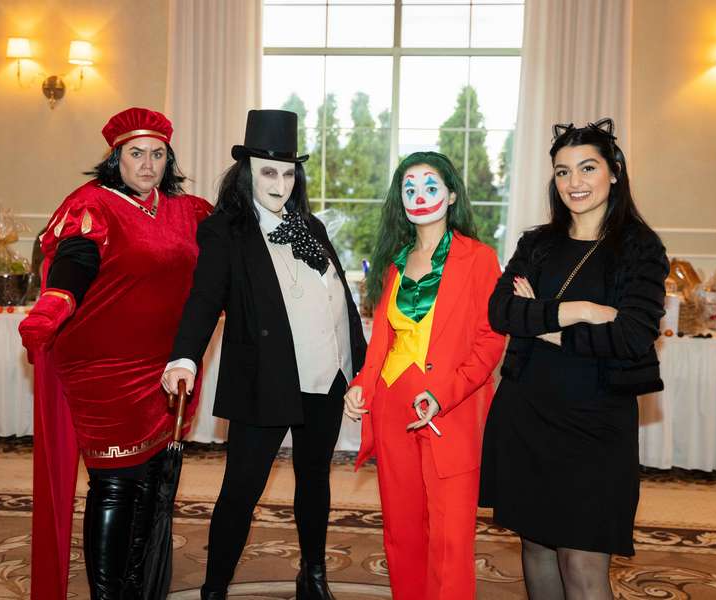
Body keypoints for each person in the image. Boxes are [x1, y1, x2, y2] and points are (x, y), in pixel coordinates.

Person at [161, 109, 367, 600]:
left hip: (327, 376)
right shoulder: (224, 231)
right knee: (242, 490)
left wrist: (361, 369)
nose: (280, 184)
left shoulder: (310, 225)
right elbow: (204, 299)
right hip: (264, 378)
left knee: (314, 480)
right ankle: (214, 588)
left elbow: (339, 299)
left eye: (288, 173)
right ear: (247, 172)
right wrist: (184, 357)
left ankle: (312, 576)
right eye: (268, 172)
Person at [18, 107, 211, 600]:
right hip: (104, 369)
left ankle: (137, 587)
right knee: (115, 482)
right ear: (116, 158)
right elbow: (75, 263)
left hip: (166, 367)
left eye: (158, 154)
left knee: (152, 480)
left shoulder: (186, 210)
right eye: (136, 153)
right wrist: (51, 309)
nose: (148, 165)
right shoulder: (93, 204)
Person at [479, 119, 669, 599]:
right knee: (536, 548)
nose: (574, 182)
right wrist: (582, 310)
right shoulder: (537, 244)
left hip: (596, 425)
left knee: (583, 563)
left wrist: (542, 322)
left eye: (587, 168)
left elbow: (632, 334)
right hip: (527, 413)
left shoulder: (639, 249)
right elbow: (501, 311)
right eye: (563, 172)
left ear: (614, 172)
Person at [343, 151, 505, 600]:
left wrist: (443, 395)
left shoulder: (479, 259)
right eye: (409, 188)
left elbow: (491, 341)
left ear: (451, 195)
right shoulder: (392, 262)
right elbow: (382, 343)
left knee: (451, 539)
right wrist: (360, 387)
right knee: (402, 531)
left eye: (431, 186)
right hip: (393, 410)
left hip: (449, 413)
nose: (419, 196)